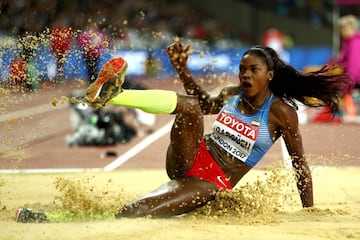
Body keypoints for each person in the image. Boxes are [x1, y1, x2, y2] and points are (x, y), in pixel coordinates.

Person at [84, 41, 350, 218]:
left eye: (253, 70)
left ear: (269, 75)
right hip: (189, 155)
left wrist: (309, 209)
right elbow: (202, 105)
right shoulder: (232, 94)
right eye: (242, 69)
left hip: (210, 181)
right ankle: (110, 95)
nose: (245, 75)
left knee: (131, 212)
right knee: (190, 106)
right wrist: (182, 70)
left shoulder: (281, 113)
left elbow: (299, 162)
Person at [335, 14, 360, 122]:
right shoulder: (348, 43)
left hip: (355, 79)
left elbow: (354, 66)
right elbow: (340, 62)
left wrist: (347, 84)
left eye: (343, 28)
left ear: (351, 28)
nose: (341, 31)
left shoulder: (355, 43)